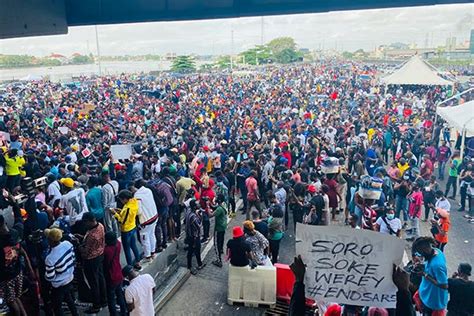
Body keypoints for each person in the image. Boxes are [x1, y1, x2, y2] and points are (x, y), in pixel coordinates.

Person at [44, 228, 79, 316]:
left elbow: (50, 277)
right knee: (69, 299)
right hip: (69, 278)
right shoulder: (68, 244)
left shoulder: (50, 258)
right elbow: (73, 259)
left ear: (51, 240)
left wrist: (45, 275)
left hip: (59, 285)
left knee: (57, 307)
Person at [77, 212, 107, 314]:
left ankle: (96, 305)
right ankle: (104, 300)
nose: (85, 225)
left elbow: (86, 252)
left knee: (93, 283)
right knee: (100, 278)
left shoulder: (92, 235)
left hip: (91, 259)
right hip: (100, 255)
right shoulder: (100, 226)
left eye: (86, 223)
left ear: (90, 221)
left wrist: (79, 245)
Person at [412, 237, 448, 316]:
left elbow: (444, 285)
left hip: (432, 302)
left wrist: (424, 274)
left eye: (420, 252)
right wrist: (422, 265)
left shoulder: (437, 265)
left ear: (425, 249)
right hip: (426, 295)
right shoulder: (437, 251)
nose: (420, 255)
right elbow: (429, 266)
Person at [112, 190, 142, 269]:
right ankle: (138, 261)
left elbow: (122, 221)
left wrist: (115, 214)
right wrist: (120, 211)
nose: (121, 201)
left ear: (125, 199)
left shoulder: (127, 208)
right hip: (133, 227)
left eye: (121, 199)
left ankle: (130, 267)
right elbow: (126, 214)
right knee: (133, 245)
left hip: (126, 230)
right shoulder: (134, 202)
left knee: (127, 249)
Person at [103, 232, 127, 316]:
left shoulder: (106, 250)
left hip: (111, 276)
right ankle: (124, 312)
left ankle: (113, 314)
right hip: (119, 273)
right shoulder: (118, 244)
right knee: (120, 295)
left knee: (111, 299)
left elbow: (105, 263)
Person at [134, 179, 158, 261]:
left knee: (144, 238)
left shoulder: (137, 196)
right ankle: (153, 252)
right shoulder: (148, 190)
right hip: (154, 216)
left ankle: (147, 256)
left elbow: (139, 211)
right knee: (152, 235)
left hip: (145, 220)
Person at [185, 199, 205, 274]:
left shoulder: (188, 211)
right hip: (194, 237)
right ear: (194, 207)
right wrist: (200, 216)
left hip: (191, 235)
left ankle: (199, 263)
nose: (198, 205)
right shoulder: (193, 216)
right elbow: (199, 226)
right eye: (197, 204)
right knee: (192, 251)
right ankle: (190, 267)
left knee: (195, 250)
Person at [211, 194, 227, 268]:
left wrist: (207, 207)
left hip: (218, 227)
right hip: (223, 226)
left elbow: (210, 215)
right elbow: (215, 208)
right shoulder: (223, 205)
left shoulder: (219, 209)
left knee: (217, 243)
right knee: (221, 240)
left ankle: (219, 260)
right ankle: (221, 250)